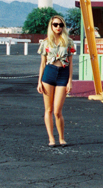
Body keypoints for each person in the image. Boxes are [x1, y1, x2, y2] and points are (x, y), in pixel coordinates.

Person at [37, 15, 76, 147]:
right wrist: (39, 82)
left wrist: (70, 81)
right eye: (55, 24)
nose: (58, 27)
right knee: (48, 110)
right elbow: (42, 64)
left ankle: (61, 137)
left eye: (61, 25)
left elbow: (71, 63)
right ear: (51, 26)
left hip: (63, 74)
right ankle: (51, 139)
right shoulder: (45, 42)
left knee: (57, 111)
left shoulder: (69, 42)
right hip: (49, 74)